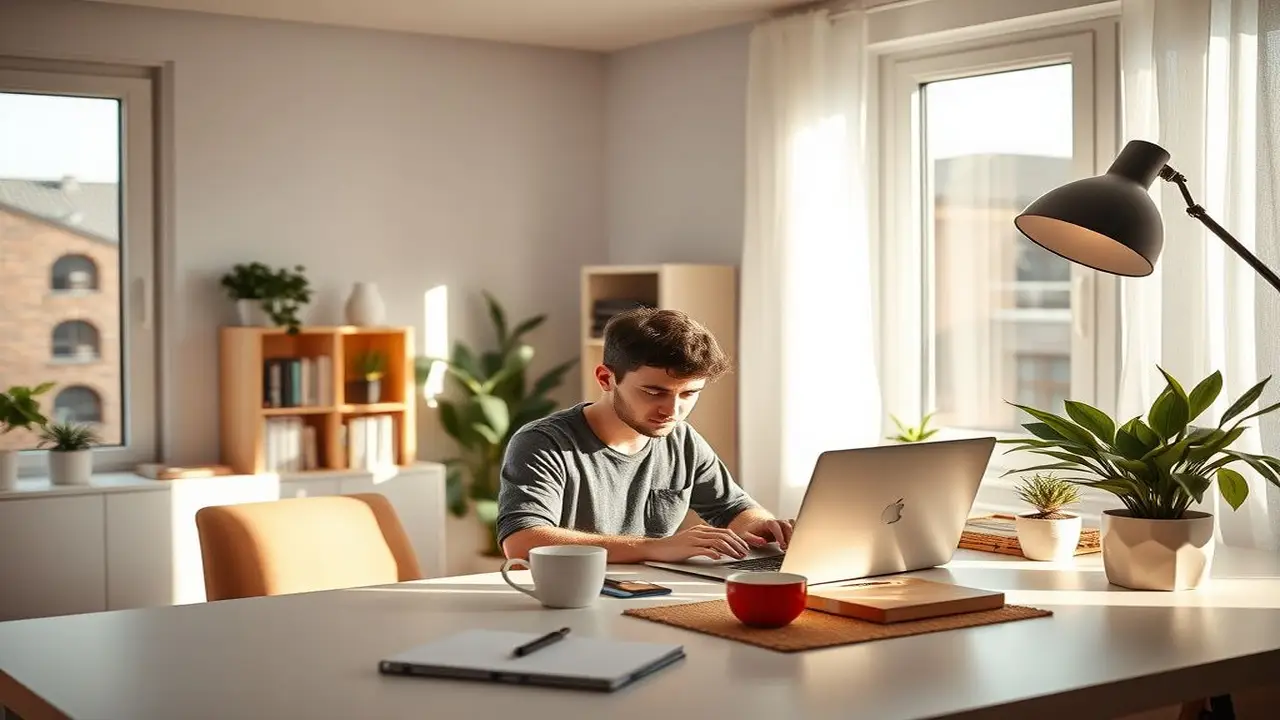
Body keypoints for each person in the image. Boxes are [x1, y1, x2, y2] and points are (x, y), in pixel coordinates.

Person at [496, 307, 793, 563]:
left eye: (689, 393)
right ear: (605, 379)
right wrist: (656, 548)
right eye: (654, 392)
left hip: (651, 595)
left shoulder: (681, 440)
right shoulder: (543, 443)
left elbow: (733, 508)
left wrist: (767, 528)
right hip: (571, 602)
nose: (672, 410)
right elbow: (522, 540)